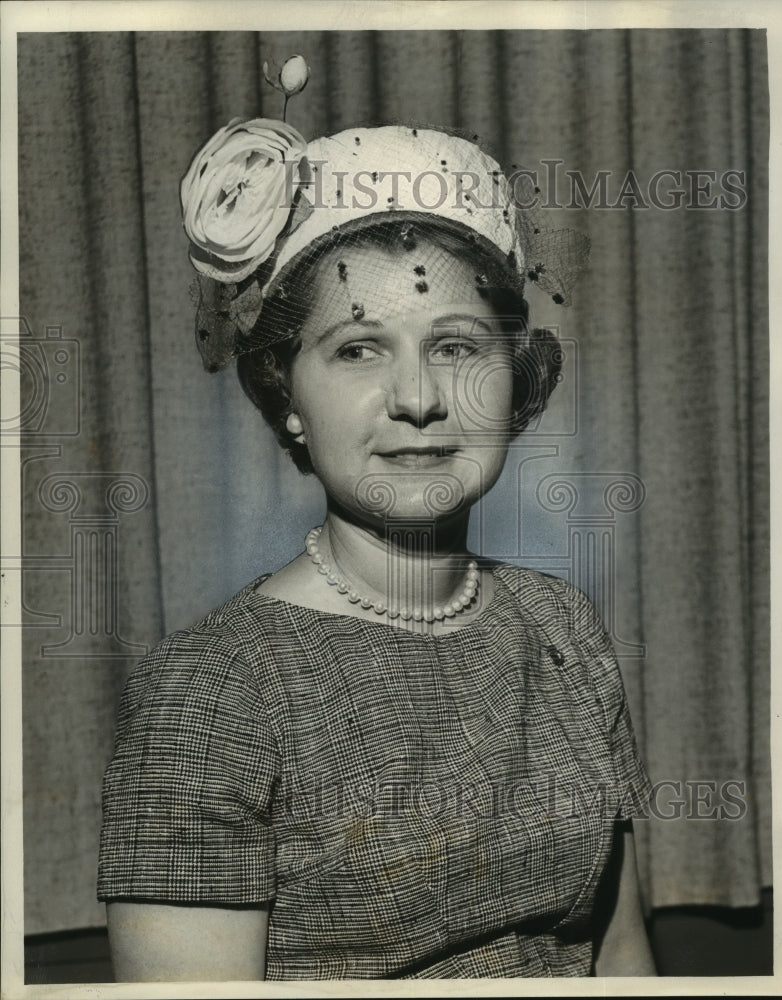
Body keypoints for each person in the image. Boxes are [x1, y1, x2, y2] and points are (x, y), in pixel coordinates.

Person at [97, 95, 657, 980]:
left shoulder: (562, 628)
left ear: (513, 379)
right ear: (286, 394)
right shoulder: (211, 694)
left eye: (458, 346)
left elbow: (622, 957)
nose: (419, 398)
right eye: (358, 349)